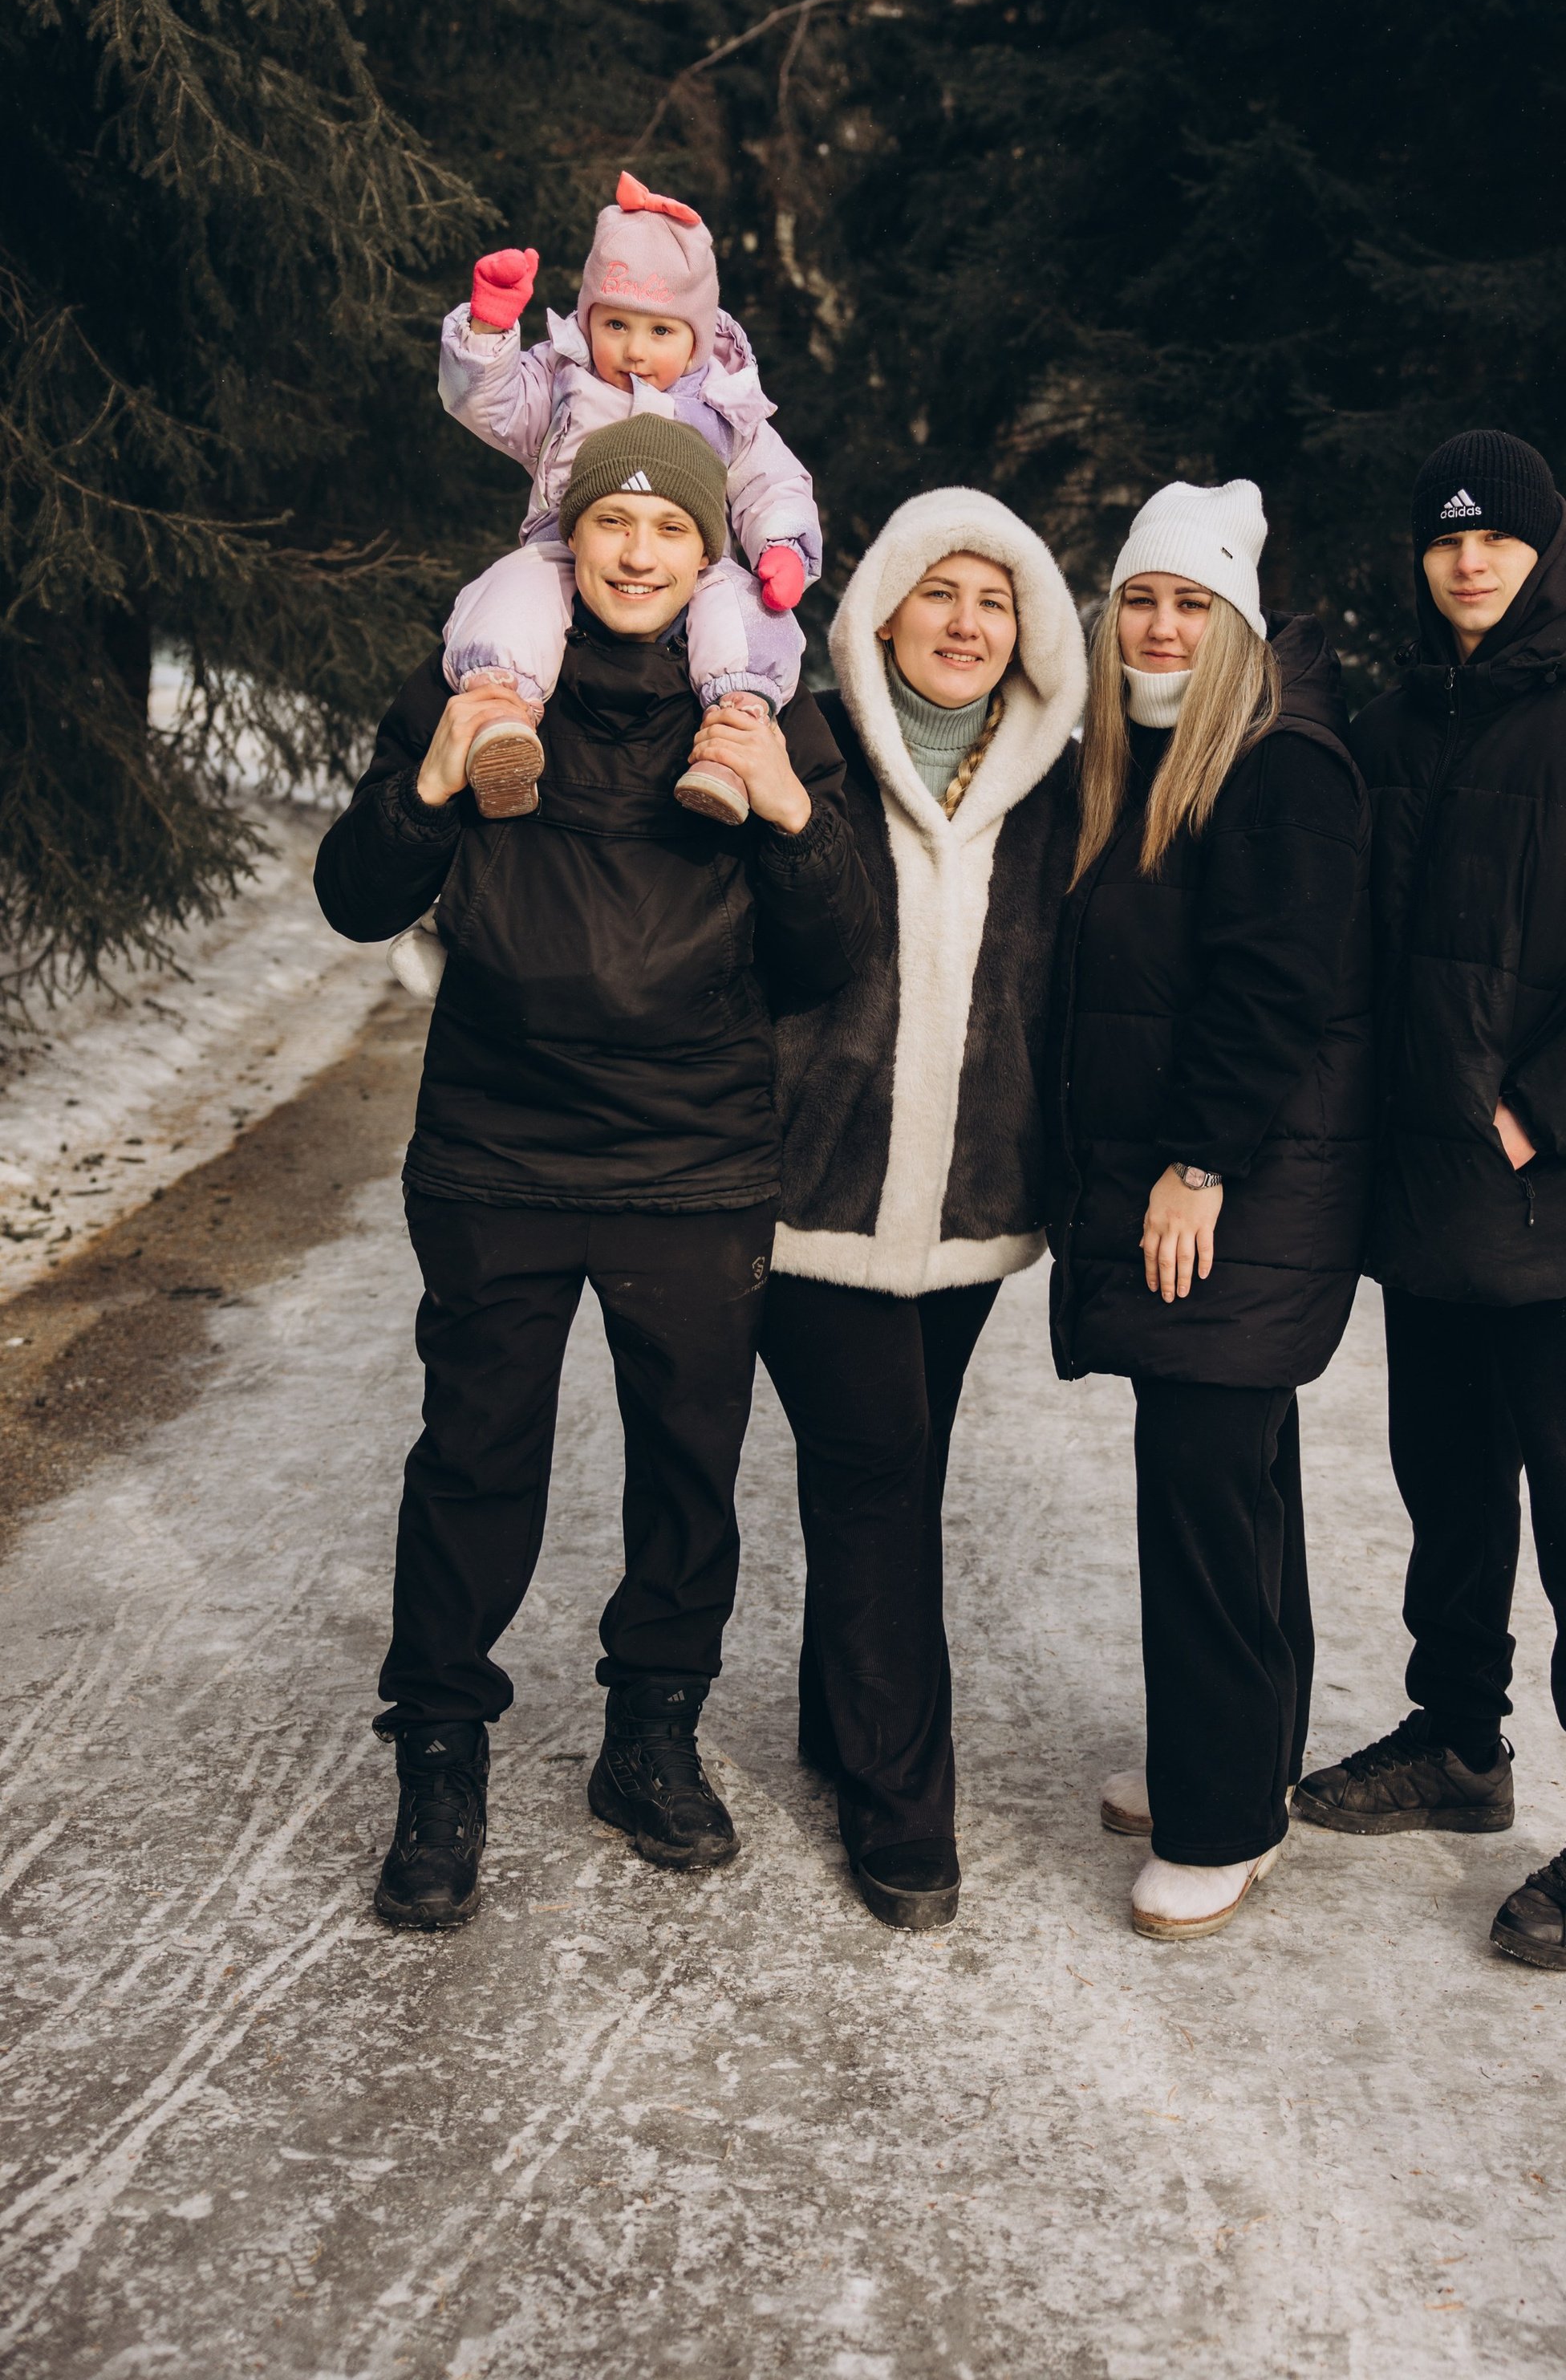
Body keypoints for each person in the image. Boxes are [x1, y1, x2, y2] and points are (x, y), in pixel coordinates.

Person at [314, 412, 874, 1935]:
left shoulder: (769, 704)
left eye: (671, 531)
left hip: (693, 1161)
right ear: (571, 537)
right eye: (612, 525)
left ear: (706, 550)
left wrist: (789, 810)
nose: (639, 553)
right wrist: (426, 784)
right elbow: (356, 900)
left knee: (686, 1468)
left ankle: (652, 1739)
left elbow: (835, 954)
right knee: (474, 1462)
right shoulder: (481, 683)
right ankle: (440, 1760)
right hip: (498, 1144)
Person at [1294, 428, 1566, 1974]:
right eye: (1443, 542)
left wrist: (1543, 1112)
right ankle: (1458, 1741)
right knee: (1449, 1485)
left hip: (1564, 1210)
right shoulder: (1403, 723)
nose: (1468, 563)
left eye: (1495, 541)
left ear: (1553, 552)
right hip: (1427, 1202)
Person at [1045, 480, 1372, 1943]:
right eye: (1141, 600)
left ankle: (1223, 1818)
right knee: (1237, 1486)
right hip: (1207, 1178)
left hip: (1238, 1186)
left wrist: (1199, 1167)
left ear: (1239, 622)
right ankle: (1239, 1761)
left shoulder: (1278, 763)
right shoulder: (1147, 756)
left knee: (1201, 1491)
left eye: (1191, 603)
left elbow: (1273, 985)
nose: (1162, 625)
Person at [762, 489, 1086, 1929]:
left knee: (903, 1464)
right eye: (938, 593)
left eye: (994, 601)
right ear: (882, 607)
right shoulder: (806, 750)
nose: (965, 624)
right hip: (806, 1200)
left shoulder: (1061, 787)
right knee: (880, 1472)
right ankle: (905, 1811)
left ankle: (841, 1716)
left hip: (973, 1204)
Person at [436, 170, 822, 824]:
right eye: (615, 324)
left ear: (697, 337)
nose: (635, 352)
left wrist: (783, 545)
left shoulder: (725, 405)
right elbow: (487, 404)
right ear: (590, 320)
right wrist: (488, 329)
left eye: (661, 333)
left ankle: (732, 739)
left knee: (747, 612)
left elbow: (772, 480)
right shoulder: (566, 382)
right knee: (511, 590)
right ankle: (500, 721)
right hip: (569, 552)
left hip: (688, 568)